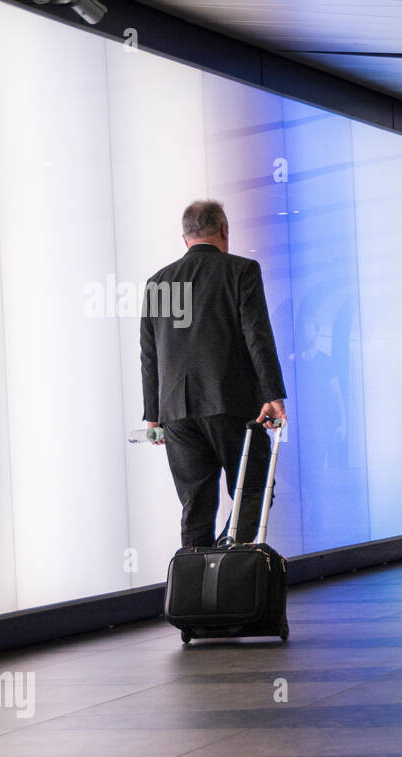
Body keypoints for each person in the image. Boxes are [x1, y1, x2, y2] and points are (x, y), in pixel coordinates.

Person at [140, 200, 289, 547]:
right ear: (224, 230)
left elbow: (150, 355)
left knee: (196, 506)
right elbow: (258, 336)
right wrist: (273, 395)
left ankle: (198, 593)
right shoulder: (240, 271)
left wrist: (153, 416)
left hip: (176, 412)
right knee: (253, 488)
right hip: (232, 405)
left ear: (184, 237)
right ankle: (231, 562)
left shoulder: (159, 283)